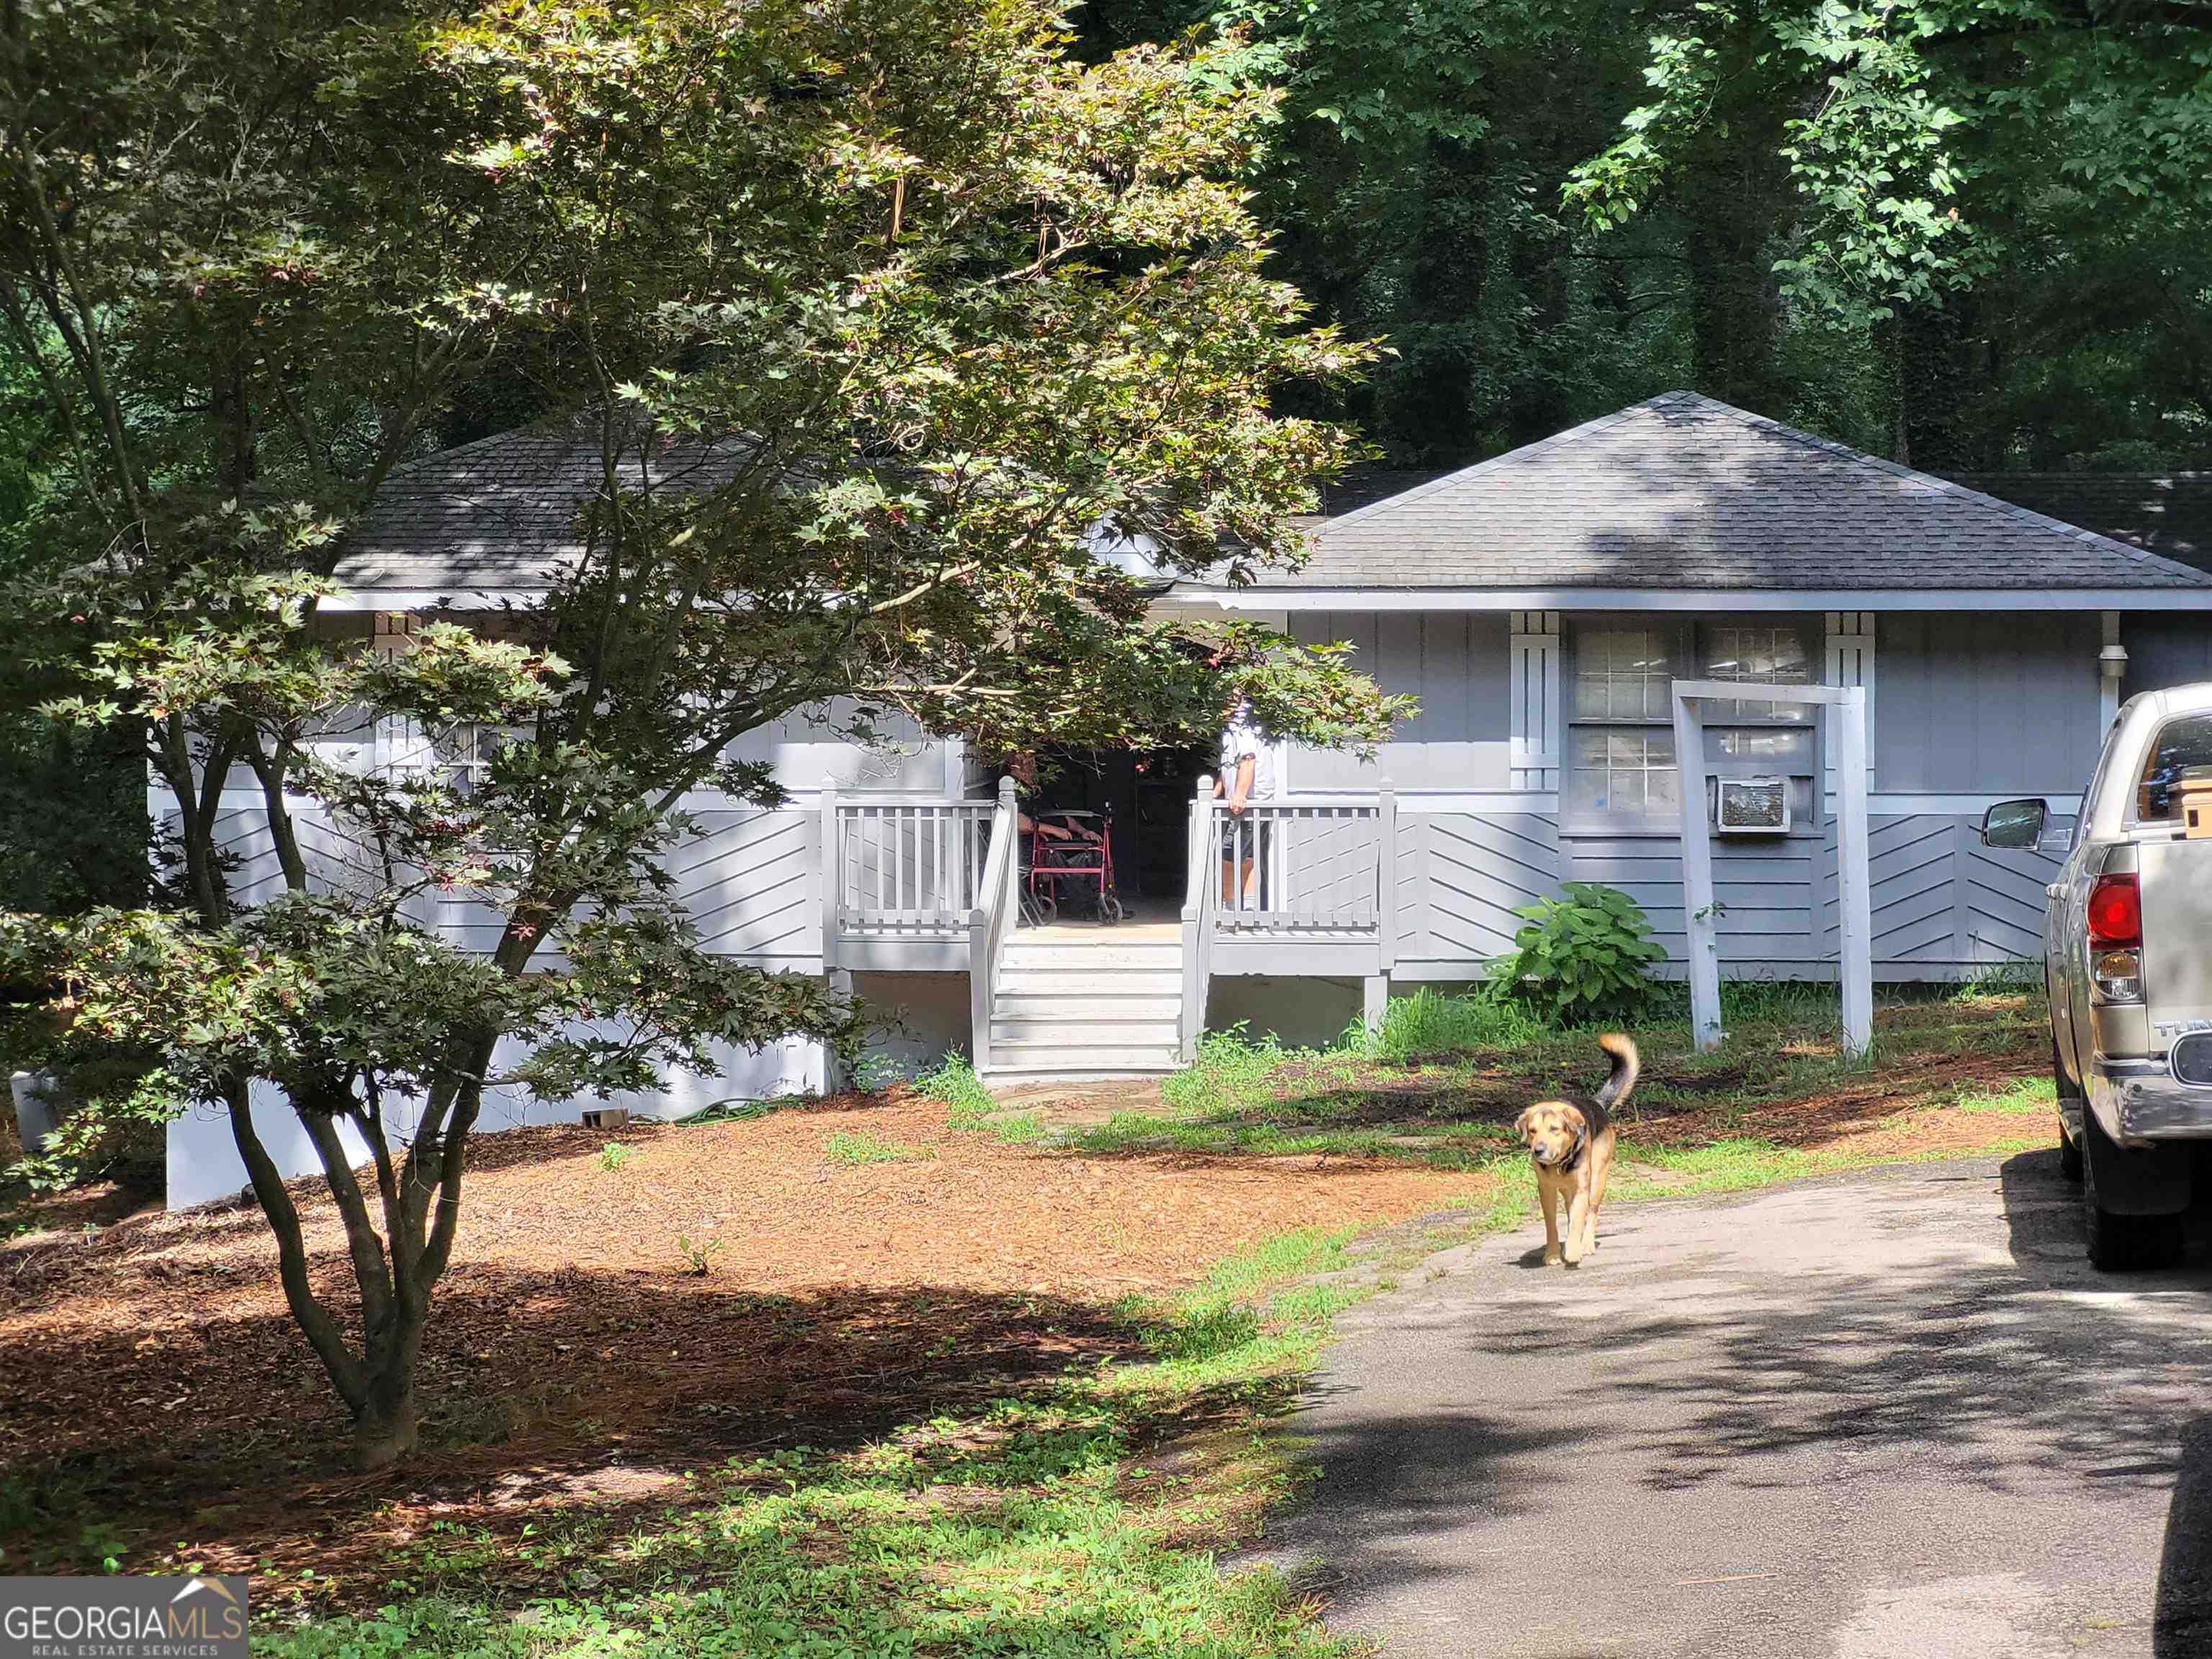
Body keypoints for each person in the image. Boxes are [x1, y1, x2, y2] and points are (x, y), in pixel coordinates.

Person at [1215, 699, 1274, 904]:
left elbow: (1248, 760)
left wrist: (1240, 795)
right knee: (1246, 858)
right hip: (1248, 806)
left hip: (1249, 806)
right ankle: (1245, 912)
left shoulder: (1244, 729)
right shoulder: (1230, 730)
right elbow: (1228, 767)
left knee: (1230, 858)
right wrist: (1216, 792)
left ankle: (1235, 913)